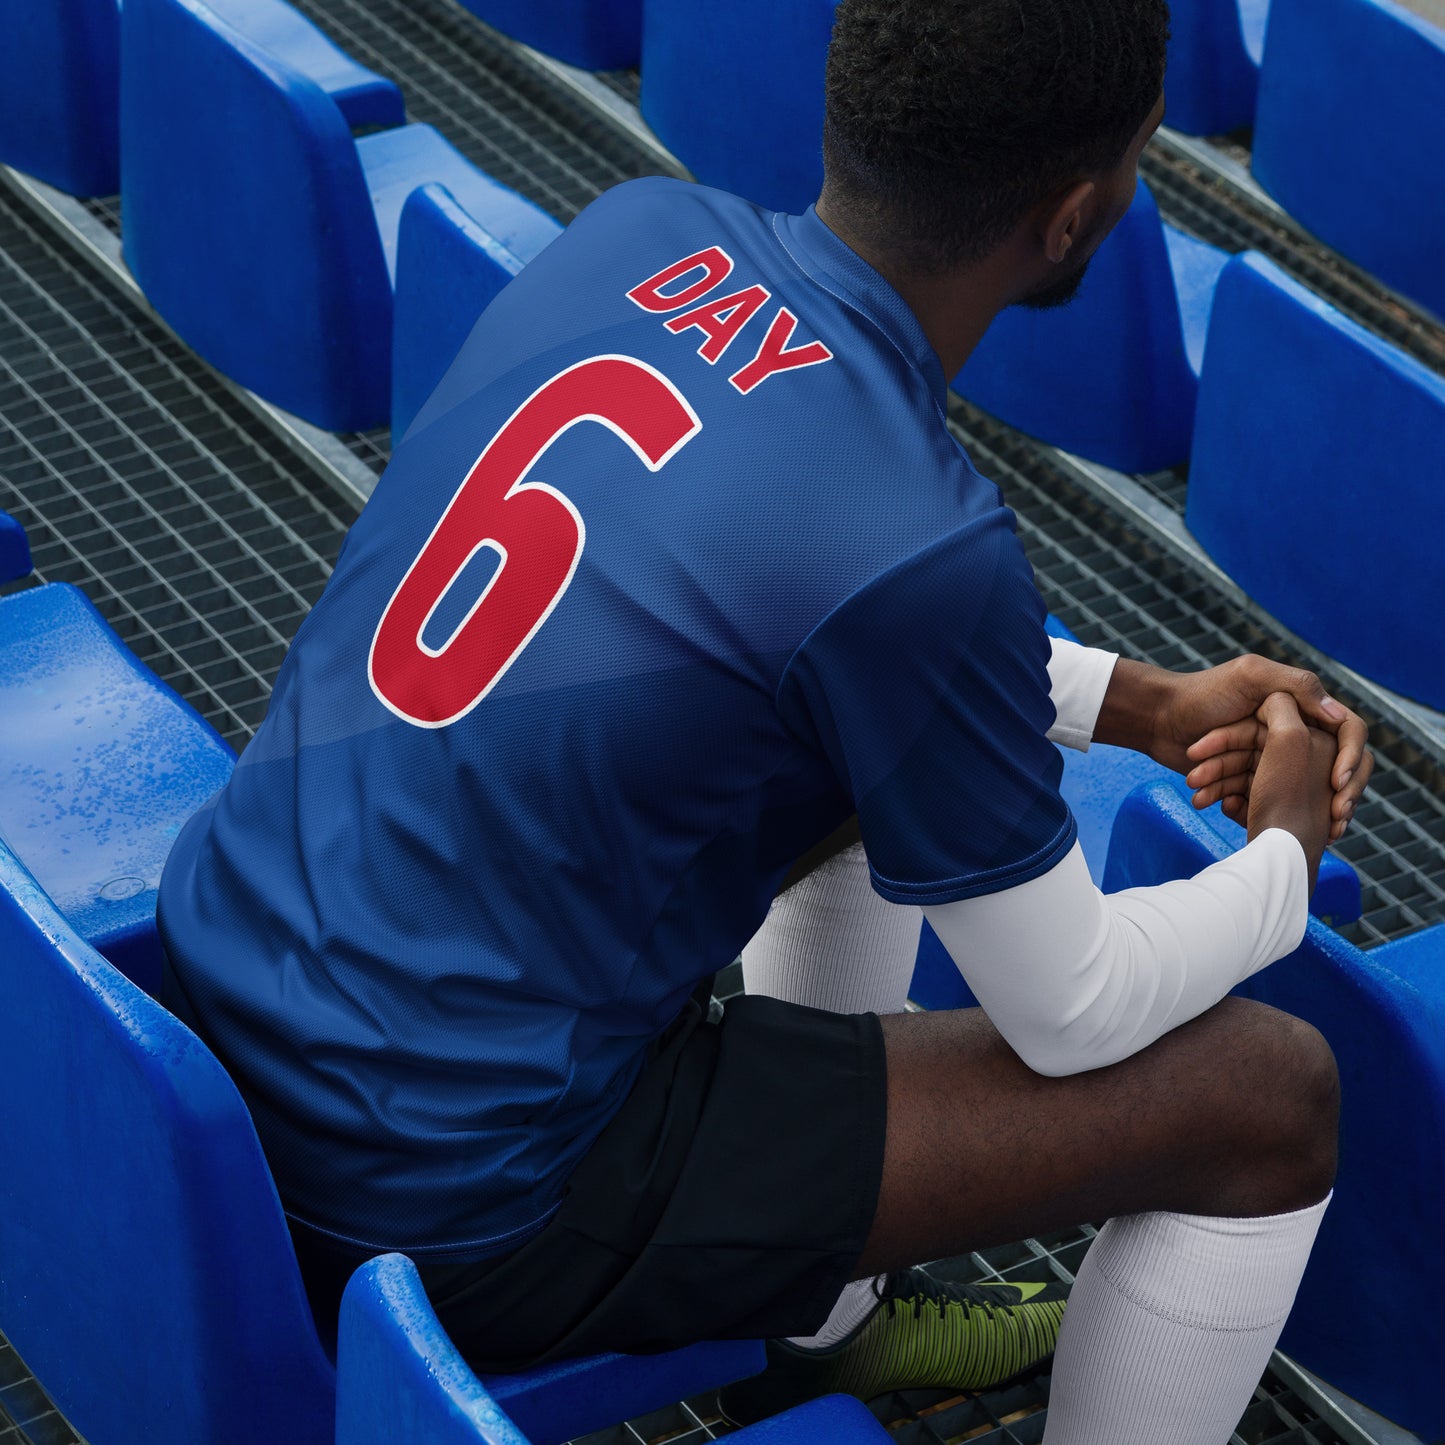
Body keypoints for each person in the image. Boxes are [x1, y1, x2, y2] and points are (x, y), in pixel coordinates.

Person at [156, 0, 1374, 1438]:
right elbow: (1072, 1008)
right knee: (1266, 1097)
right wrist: (1282, 859)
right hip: (456, 1195)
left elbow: (798, 625)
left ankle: (827, 1331)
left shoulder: (638, 229)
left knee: (855, 766)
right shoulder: (915, 536)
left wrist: (1136, 702)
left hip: (225, 1020)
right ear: (1071, 219)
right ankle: (812, 1310)